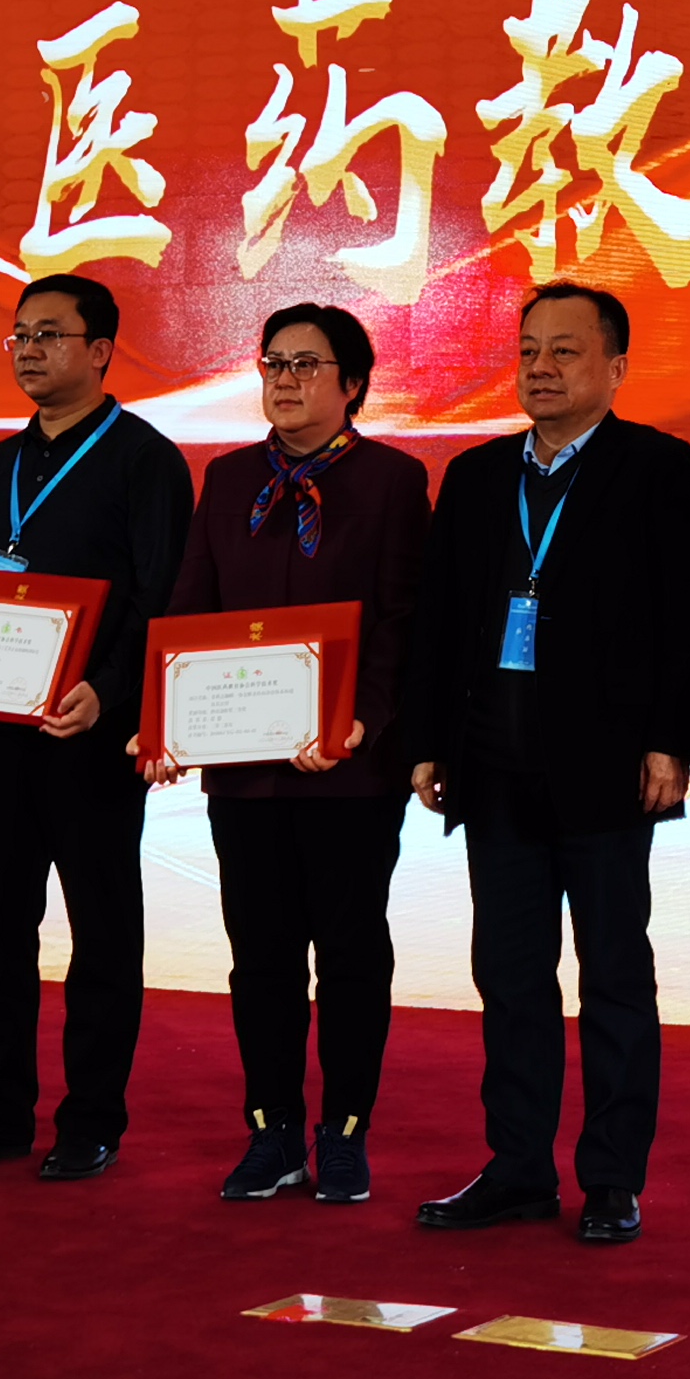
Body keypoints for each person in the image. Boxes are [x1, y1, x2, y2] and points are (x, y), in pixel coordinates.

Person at [401, 282, 690, 1244]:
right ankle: (518, 1168)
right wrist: (428, 740)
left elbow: (688, 615)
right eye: (528, 350)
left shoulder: (660, 468)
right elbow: (439, 619)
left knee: (614, 976)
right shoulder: (475, 475)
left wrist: (670, 738)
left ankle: (613, 1178)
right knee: (509, 975)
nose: (540, 368)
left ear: (616, 367)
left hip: (608, 769)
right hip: (492, 764)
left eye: (565, 351)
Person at [0, 272, 195, 1181]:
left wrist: (110, 691)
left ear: (100, 351)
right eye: (20, 335)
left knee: (102, 932)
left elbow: (159, 595)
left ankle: (92, 1119)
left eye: (49, 335)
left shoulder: (145, 459)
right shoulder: (3, 460)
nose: (28, 350)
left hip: (88, 735)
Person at [142, 302, 429, 1204]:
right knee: (259, 955)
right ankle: (270, 1131)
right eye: (274, 363)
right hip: (243, 771)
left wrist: (363, 719)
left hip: (351, 769)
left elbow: (401, 620)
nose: (287, 380)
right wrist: (164, 720)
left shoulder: (393, 480)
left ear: (353, 384)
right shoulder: (229, 479)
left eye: (308, 365)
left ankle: (344, 1131)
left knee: (349, 953)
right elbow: (191, 609)